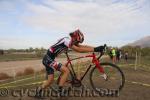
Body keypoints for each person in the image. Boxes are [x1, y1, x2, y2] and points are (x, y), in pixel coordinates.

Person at [36, 29, 105, 97]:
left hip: (49, 59)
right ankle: (60, 92)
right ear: (75, 38)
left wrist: (97, 48)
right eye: (77, 42)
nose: (78, 43)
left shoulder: (71, 41)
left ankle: (38, 92)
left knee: (50, 81)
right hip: (48, 59)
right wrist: (96, 49)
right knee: (66, 71)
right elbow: (78, 49)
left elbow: (83, 46)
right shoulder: (67, 40)